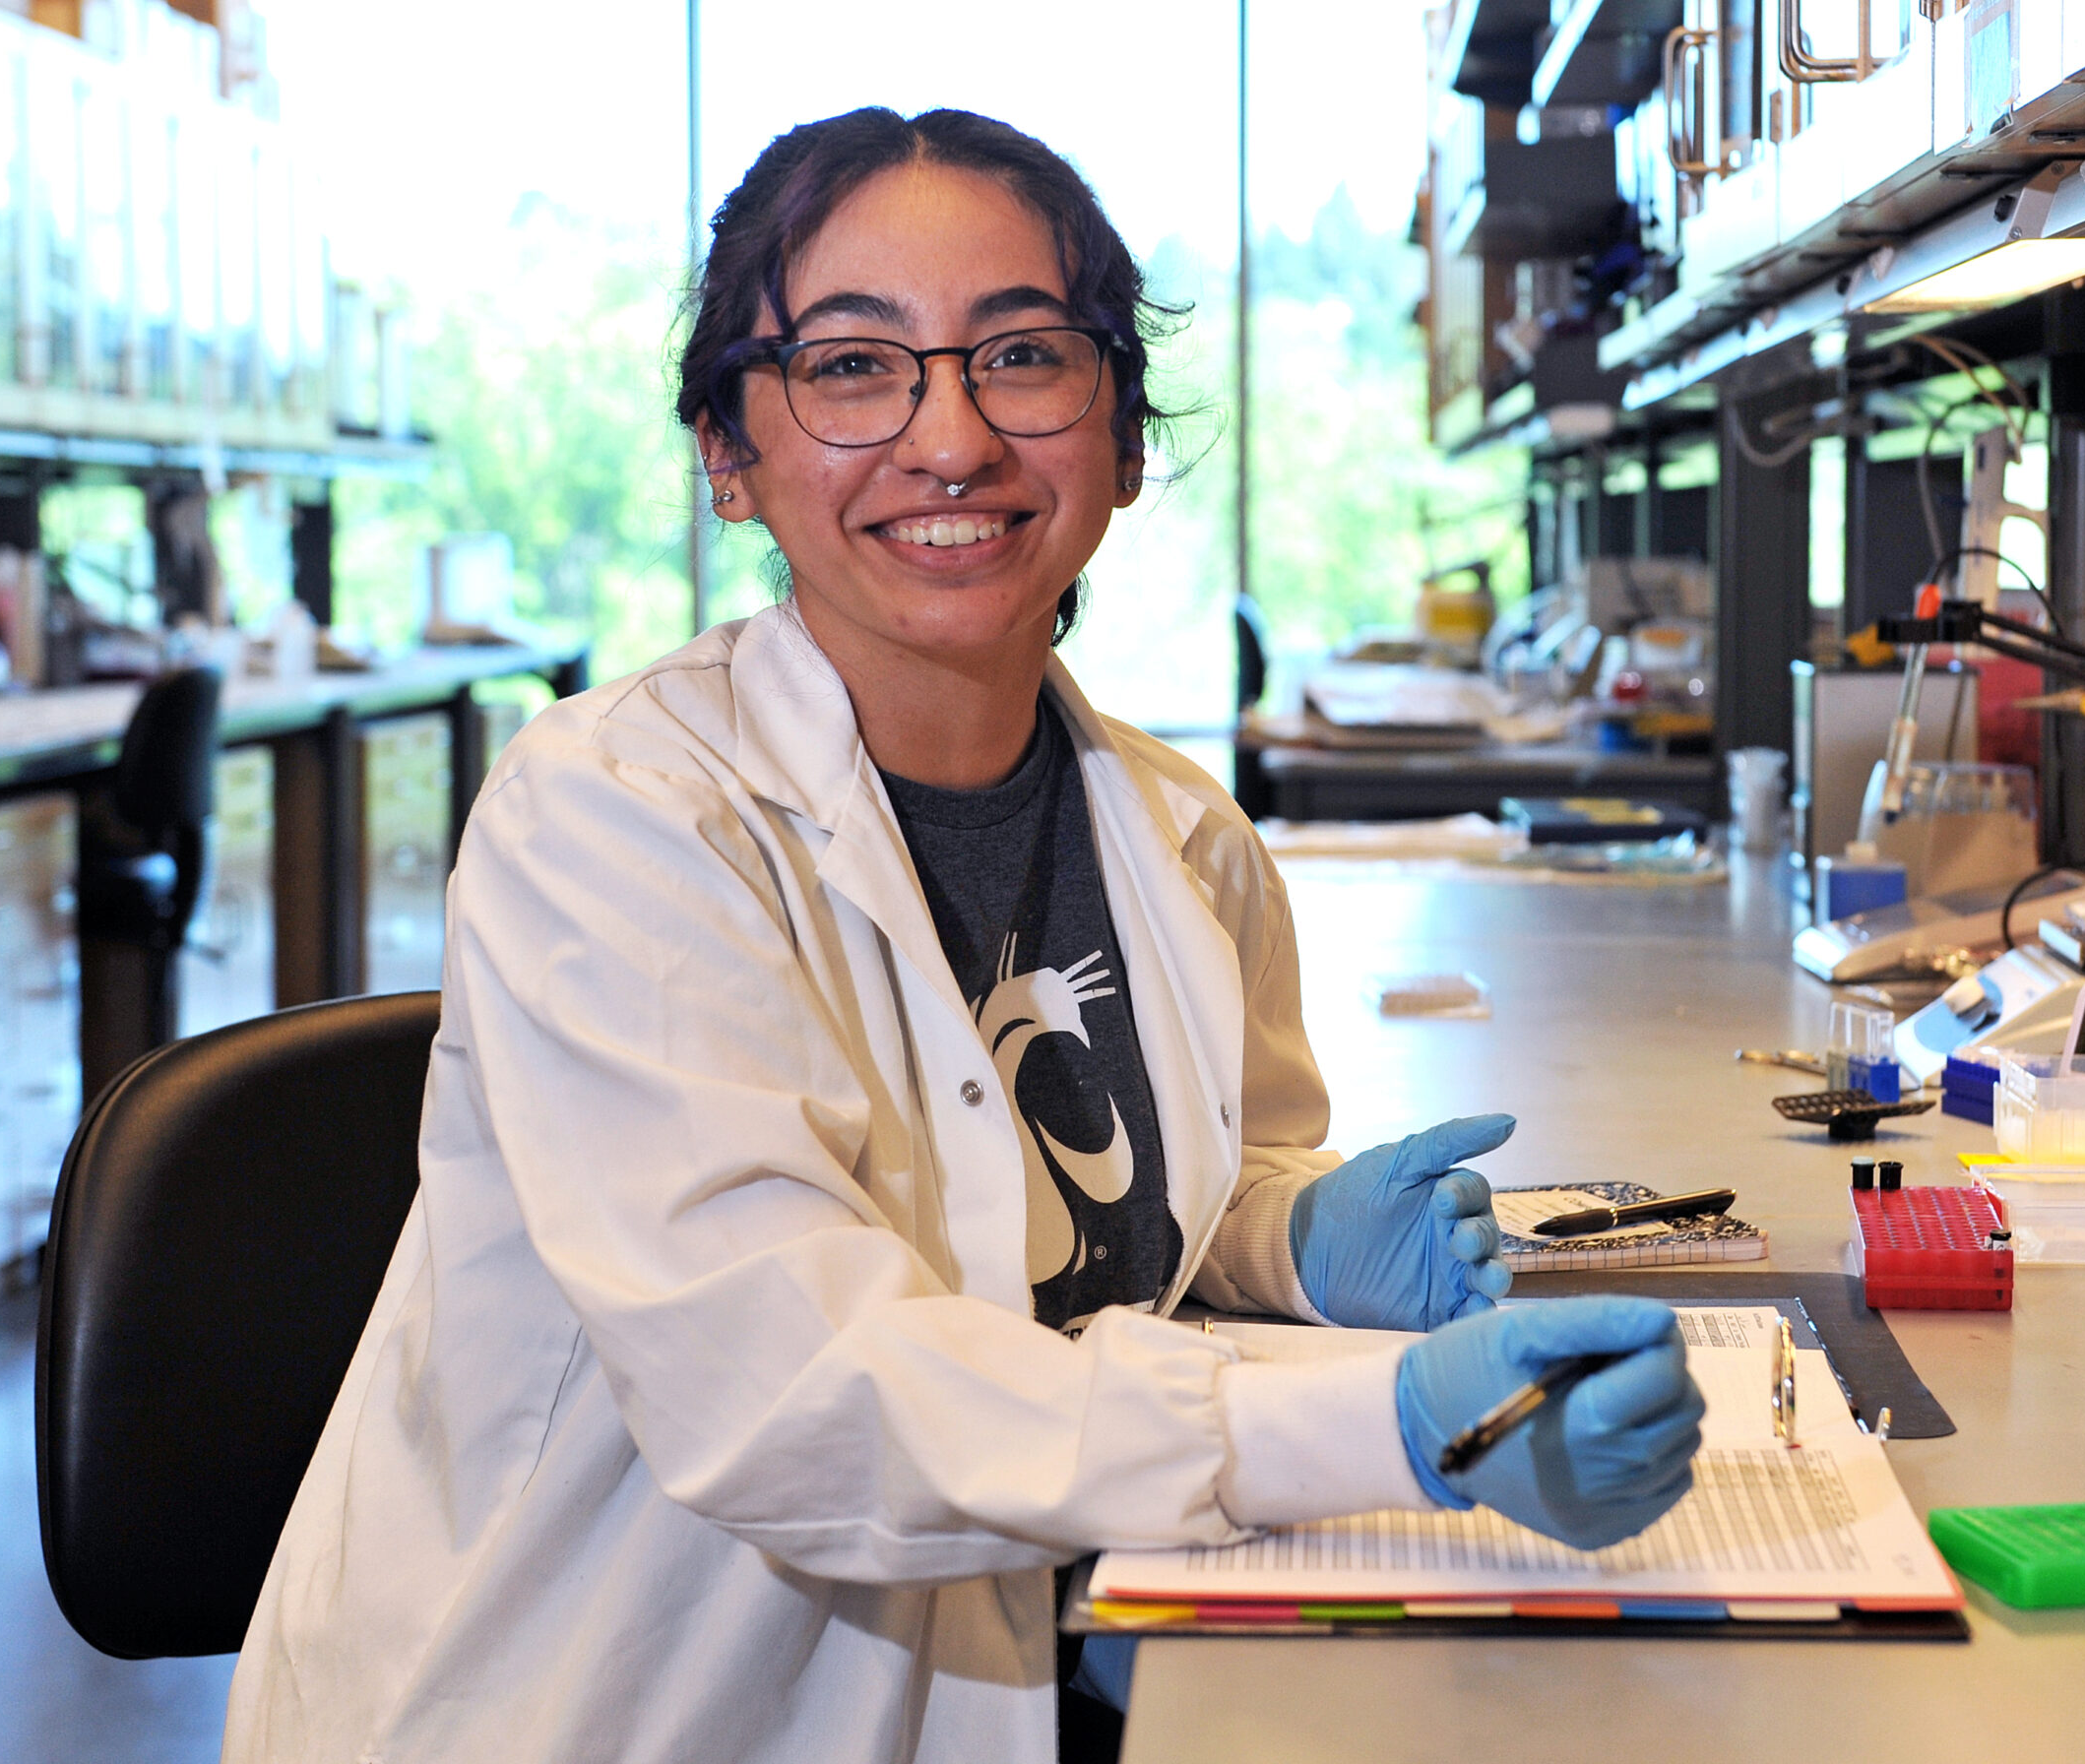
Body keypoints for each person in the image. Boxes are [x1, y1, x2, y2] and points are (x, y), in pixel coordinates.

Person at [221, 107, 1704, 1764]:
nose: (951, 438)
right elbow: (802, 1392)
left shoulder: (1180, 837)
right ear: (731, 453)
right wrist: (1408, 1418)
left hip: (1055, 1654)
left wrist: (1290, 1238)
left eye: (1022, 355)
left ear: (1125, 443)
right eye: (853, 366)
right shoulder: (619, 820)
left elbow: (1119, 1201)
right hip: (619, 1710)